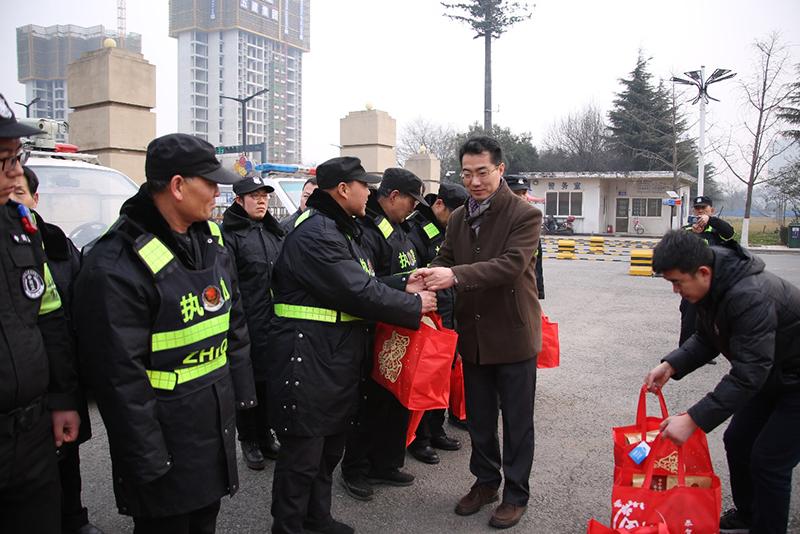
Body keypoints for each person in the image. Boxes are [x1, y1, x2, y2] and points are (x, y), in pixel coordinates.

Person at [72, 133, 257, 533]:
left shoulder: (208, 242)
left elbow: (233, 322)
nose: (217, 193)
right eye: (209, 183)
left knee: (203, 521)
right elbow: (118, 377)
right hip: (163, 439)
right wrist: (148, 457)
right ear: (177, 186)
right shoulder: (116, 264)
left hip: (210, 426)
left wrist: (242, 397)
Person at [266, 156, 436, 534]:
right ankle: (289, 527)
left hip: (332, 358)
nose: (370, 193)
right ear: (343, 189)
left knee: (327, 451)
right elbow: (355, 290)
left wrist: (401, 285)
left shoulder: (343, 229)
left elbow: (364, 282)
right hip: (307, 360)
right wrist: (412, 303)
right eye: (364, 185)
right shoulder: (317, 234)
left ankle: (317, 519)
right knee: (303, 457)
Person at [417, 136, 543, 529]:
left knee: (517, 422)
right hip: (473, 336)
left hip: (513, 335)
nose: (474, 181)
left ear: (500, 170)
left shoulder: (524, 215)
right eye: (467, 173)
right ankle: (486, 482)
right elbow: (447, 257)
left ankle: (516, 493)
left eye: (482, 172)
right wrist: (427, 274)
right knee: (480, 419)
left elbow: (509, 265)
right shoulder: (458, 217)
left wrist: (453, 276)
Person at [645, 230, 800, 534]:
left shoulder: (749, 295)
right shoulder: (714, 284)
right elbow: (708, 336)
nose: (676, 290)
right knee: (738, 441)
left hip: (792, 380)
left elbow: (749, 371)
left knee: (769, 460)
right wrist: (672, 364)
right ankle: (748, 514)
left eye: (677, 282)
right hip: (772, 375)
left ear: (702, 271)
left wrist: (693, 419)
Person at [0, 92, 81, 534]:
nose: (16, 174)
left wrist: (64, 398)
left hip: (31, 430)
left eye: (17, 159)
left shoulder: (23, 227)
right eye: (5, 161)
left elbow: (48, 315)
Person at [12, 165, 103, 534]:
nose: (11, 199)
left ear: (35, 199)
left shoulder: (55, 243)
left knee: (67, 454)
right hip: (20, 380)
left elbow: (78, 305)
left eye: (20, 193)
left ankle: (74, 516)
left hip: (60, 368)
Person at [340, 167, 428, 498]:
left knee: (396, 401)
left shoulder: (400, 228)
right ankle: (356, 469)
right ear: (393, 196)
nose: (414, 208)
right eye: (410, 200)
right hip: (375, 329)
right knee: (370, 403)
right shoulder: (367, 231)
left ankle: (386, 464)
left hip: (401, 326)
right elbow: (367, 286)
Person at [222, 174, 284, 470]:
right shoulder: (229, 236)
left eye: (265, 196)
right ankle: (248, 439)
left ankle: (266, 433)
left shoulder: (274, 232)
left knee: (269, 382)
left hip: (273, 321)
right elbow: (228, 284)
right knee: (247, 383)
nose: (261, 200)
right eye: (254, 196)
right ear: (238, 200)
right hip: (245, 322)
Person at [405, 182, 469, 463]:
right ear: (439, 205)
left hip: (449, 313)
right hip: (428, 316)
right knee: (425, 378)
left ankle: (436, 429)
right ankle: (419, 439)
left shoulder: (448, 229)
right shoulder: (415, 230)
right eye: (455, 212)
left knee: (442, 377)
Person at [678, 195, 735, 345]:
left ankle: (706, 350)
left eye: (704, 208)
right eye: (697, 208)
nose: (700, 211)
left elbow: (729, 233)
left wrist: (711, 220)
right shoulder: (686, 230)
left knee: (712, 318)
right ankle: (685, 350)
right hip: (692, 283)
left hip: (714, 283)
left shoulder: (717, 230)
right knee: (689, 317)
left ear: (712, 210)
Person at [505, 175, 545, 300]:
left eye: (524, 193)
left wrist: (539, 290)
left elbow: (537, 261)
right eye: (516, 193)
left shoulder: (530, 222)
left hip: (526, 290)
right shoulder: (497, 222)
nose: (522, 197)